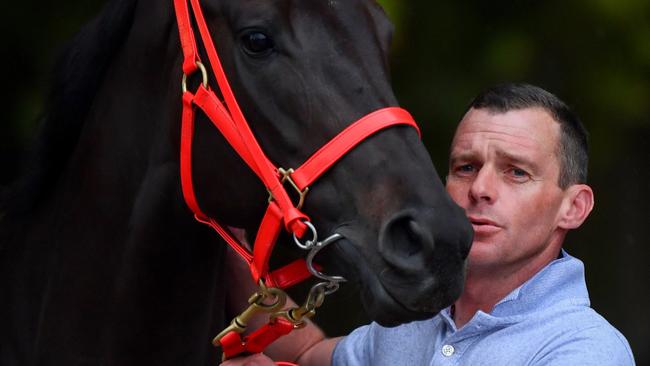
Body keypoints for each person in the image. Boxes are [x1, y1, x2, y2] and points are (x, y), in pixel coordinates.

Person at [221, 83, 635, 365]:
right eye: (466, 167)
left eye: (517, 173)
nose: (481, 189)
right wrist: (224, 243)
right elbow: (307, 352)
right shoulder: (416, 319)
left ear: (574, 207)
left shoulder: (585, 349)